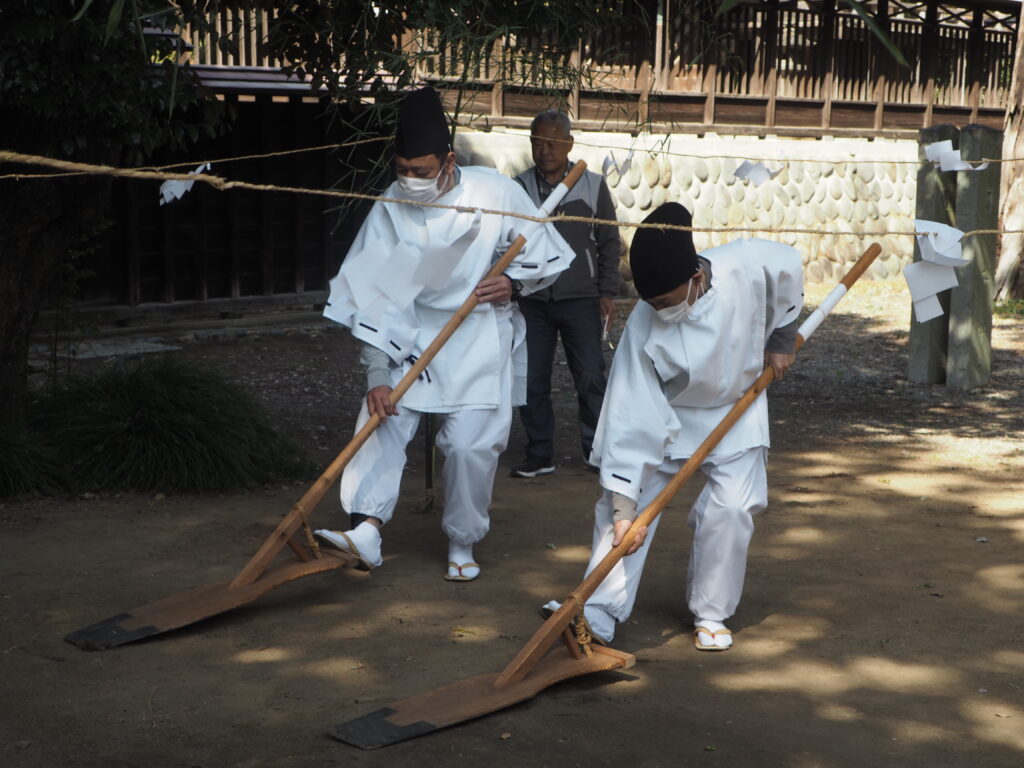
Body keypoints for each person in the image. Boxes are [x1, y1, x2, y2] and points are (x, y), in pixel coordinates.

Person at [315, 87, 575, 581]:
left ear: (449, 160)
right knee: (381, 419)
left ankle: (462, 539)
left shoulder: (494, 191)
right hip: (410, 335)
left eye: (422, 170)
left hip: (477, 333)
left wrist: (513, 284)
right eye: (403, 169)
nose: (410, 180)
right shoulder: (391, 205)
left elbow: (546, 255)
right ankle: (366, 529)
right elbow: (370, 294)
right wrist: (376, 372)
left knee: (470, 447)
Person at [543, 202, 803, 650]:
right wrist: (627, 508)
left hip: (737, 406)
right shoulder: (644, 324)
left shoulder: (745, 264)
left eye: (664, 301)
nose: (656, 310)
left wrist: (780, 341)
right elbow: (628, 414)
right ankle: (599, 610)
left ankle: (711, 612)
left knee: (732, 510)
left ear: (696, 277)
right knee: (623, 511)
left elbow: (788, 269)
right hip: (668, 417)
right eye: (648, 302)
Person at [510, 111, 621, 478]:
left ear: (569, 144)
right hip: (531, 300)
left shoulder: (591, 184)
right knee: (531, 379)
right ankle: (540, 453)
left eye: (552, 143)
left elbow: (608, 243)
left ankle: (596, 450)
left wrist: (607, 292)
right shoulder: (518, 187)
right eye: (537, 142)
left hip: (581, 299)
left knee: (590, 375)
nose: (544, 151)